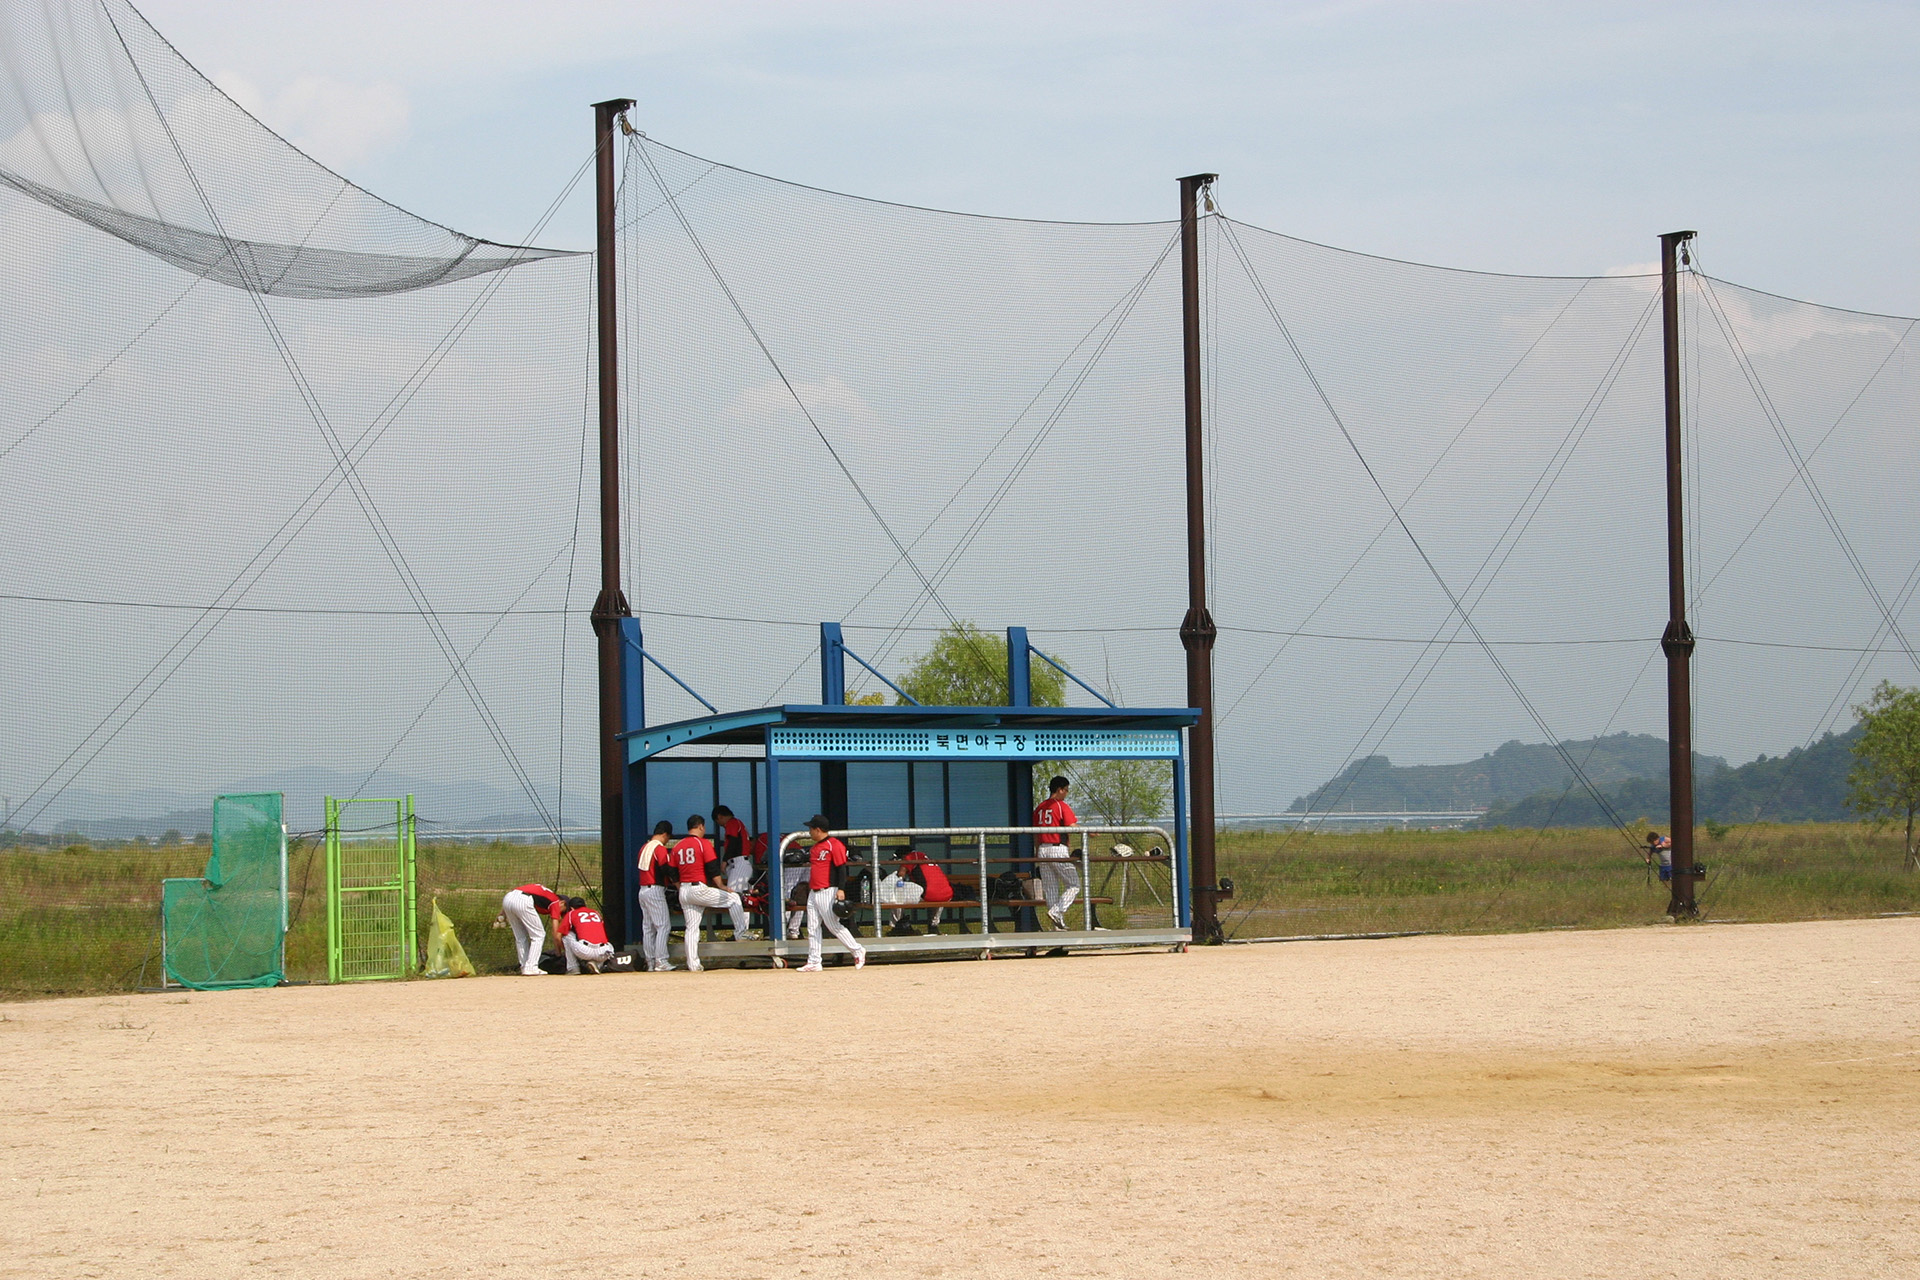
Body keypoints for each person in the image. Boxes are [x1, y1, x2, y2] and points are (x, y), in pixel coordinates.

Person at [668, 815, 751, 972]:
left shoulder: (678, 846)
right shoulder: (702, 843)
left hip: (684, 890)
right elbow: (712, 866)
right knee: (733, 898)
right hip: (698, 888)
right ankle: (740, 933)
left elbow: (671, 870)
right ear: (700, 827)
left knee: (691, 928)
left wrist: (679, 887)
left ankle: (693, 965)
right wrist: (721, 886)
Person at [799, 814, 866, 973]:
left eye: (811, 829)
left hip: (828, 890)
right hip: (814, 892)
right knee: (812, 927)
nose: (809, 832)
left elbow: (841, 868)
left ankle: (857, 950)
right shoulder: (815, 848)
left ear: (818, 829)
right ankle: (814, 961)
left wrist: (841, 889)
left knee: (833, 925)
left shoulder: (833, 844)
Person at [1033, 775, 1081, 931]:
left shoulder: (1040, 807)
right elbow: (1072, 825)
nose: (1066, 793)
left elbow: (1035, 834)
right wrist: (1089, 832)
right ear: (1059, 789)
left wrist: (1037, 852)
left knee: (1051, 888)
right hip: (1057, 848)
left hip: (1042, 849)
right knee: (1074, 884)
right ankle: (1057, 911)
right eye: (1066, 790)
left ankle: (1057, 927)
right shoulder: (1060, 805)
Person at [501, 882, 565, 976]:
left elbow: (518, 892)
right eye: (563, 910)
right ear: (562, 902)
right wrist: (558, 953)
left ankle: (524, 967)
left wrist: (503, 912)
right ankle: (531, 967)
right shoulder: (555, 901)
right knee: (539, 935)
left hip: (508, 898)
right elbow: (555, 932)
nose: (560, 914)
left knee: (520, 937)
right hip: (523, 900)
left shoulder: (544, 893)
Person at [637, 820, 676, 972]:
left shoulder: (644, 847)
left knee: (648, 928)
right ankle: (661, 960)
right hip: (655, 889)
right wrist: (675, 881)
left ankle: (650, 961)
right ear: (665, 835)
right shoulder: (659, 849)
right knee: (663, 926)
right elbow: (665, 868)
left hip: (643, 890)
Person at [888, 848, 952, 935]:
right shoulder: (926, 857)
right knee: (936, 895)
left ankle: (898, 926)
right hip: (947, 894)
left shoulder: (910, 857)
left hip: (929, 894)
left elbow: (900, 874)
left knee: (896, 896)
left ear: (903, 856)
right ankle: (933, 926)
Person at [557, 897, 615, 974]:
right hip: (603, 953)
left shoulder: (571, 913)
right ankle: (597, 965)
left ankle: (573, 968)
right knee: (608, 944)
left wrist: (565, 951)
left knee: (567, 935)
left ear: (571, 908)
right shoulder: (595, 913)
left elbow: (558, 936)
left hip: (585, 951)